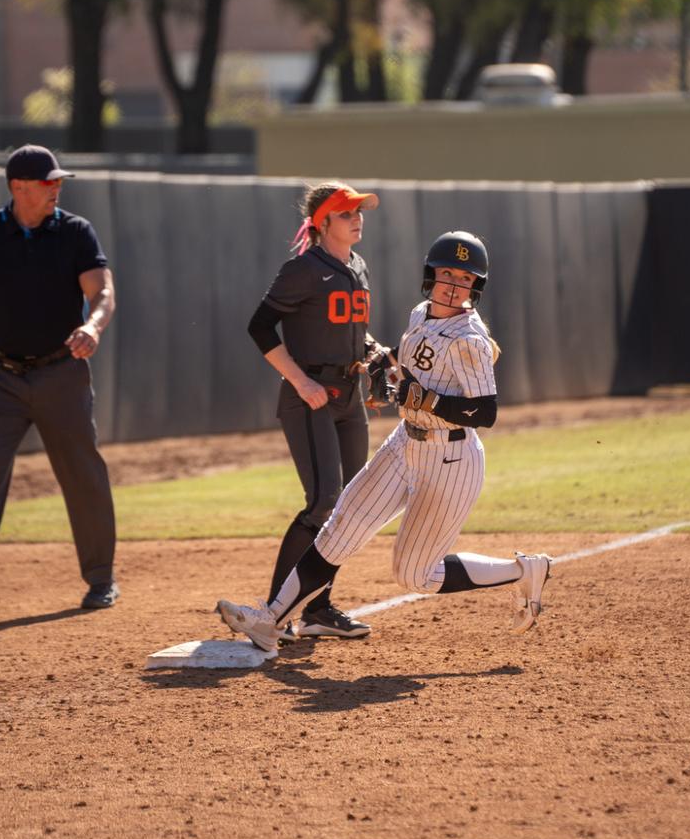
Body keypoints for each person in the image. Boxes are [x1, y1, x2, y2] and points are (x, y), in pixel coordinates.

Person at [216, 231, 554, 652]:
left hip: (449, 461)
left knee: (416, 577)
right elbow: (411, 362)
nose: (452, 284)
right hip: (402, 445)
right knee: (340, 527)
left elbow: (485, 412)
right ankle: (271, 620)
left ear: (475, 287)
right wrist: (386, 363)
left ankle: (524, 571)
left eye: (464, 278)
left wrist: (427, 399)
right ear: (431, 275)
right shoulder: (421, 313)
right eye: (446, 272)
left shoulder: (470, 340)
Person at [0, 144, 119, 617]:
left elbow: (103, 290)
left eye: (58, 182)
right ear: (19, 188)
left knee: (82, 476)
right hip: (3, 377)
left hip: (61, 372)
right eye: (49, 182)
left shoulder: (74, 232)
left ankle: (100, 579)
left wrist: (92, 326)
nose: (58, 189)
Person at [243, 181, 391, 641]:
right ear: (323, 222)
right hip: (310, 394)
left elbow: (350, 330)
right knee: (324, 500)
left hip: (349, 395)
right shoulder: (303, 269)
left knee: (347, 507)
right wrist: (300, 381)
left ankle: (317, 610)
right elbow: (260, 327)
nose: (357, 218)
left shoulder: (357, 267)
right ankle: (274, 612)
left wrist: (374, 351)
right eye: (346, 213)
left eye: (358, 212)